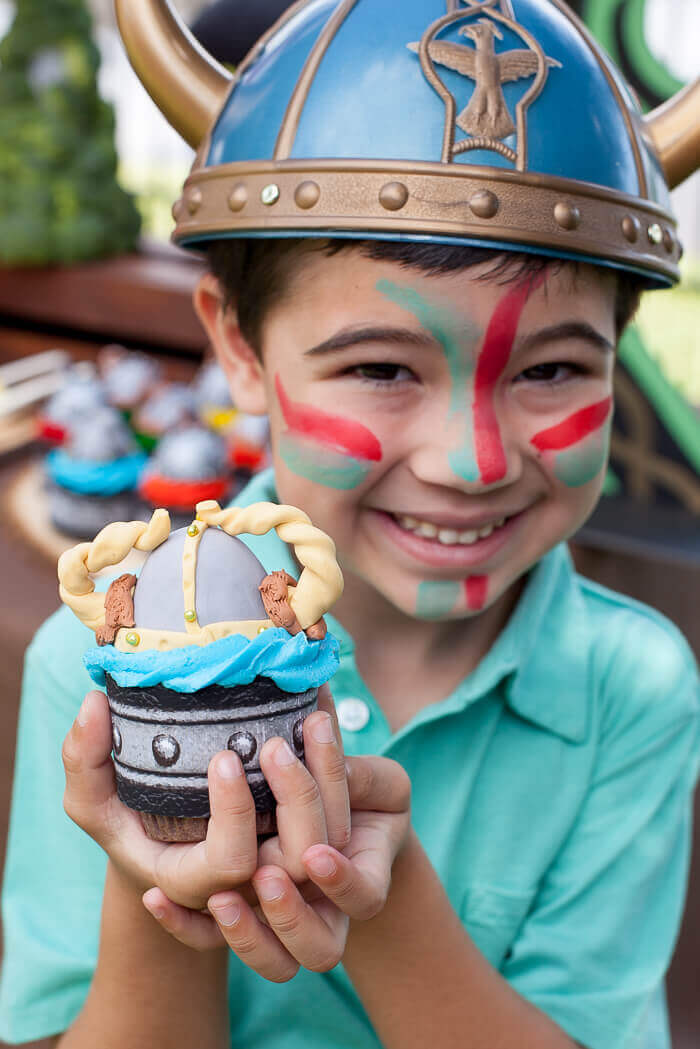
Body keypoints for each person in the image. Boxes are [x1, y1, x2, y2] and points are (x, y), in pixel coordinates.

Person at [2, 1, 699, 1047]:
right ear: (239, 349)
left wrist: (380, 893)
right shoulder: (92, 663)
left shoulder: (632, 687)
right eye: (379, 368)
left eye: (551, 367)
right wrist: (157, 871)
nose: (473, 463)